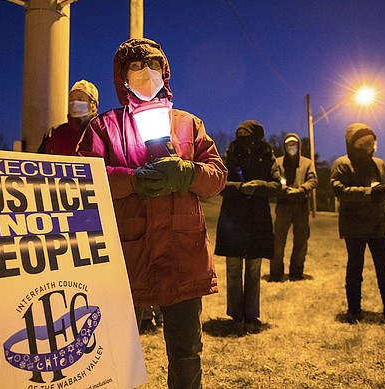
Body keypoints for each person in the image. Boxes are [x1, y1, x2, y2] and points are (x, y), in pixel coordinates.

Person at [77, 38, 226, 389]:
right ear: (122, 78)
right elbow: (84, 177)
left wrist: (189, 173)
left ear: (165, 72)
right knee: (112, 349)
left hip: (182, 252)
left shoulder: (188, 123)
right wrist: (133, 181)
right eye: (135, 68)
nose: (146, 74)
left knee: (186, 349)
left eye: (153, 67)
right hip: (128, 256)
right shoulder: (105, 127)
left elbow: (217, 176)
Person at [330, 123, 385, 324]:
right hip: (355, 225)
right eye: (362, 140)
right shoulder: (342, 163)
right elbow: (339, 191)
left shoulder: (380, 163)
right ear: (352, 142)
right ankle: (354, 310)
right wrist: (369, 192)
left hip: (379, 224)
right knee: (355, 267)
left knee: (384, 268)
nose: (368, 144)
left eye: (370, 140)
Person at [215, 120, 281, 325]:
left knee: (254, 269)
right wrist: (239, 188)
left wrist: (259, 186)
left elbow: (276, 185)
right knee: (234, 268)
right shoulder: (230, 153)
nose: (242, 137)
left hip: (257, 218)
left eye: (246, 133)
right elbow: (218, 183)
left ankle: (252, 314)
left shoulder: (267, 154)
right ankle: (235, 313)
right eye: (239, 133)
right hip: (233, 218)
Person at [270, 133, 317, 282]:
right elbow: (274, 178)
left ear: (299, 146)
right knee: (278, 240)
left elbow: (313, 179)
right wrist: (284, 190)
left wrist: (301, 190)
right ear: (285, 146)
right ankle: (276, 273)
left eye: (294, 145)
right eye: (289, 145)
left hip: (301, 206)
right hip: (283, 205)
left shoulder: (307, 163)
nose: (292, 148)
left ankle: (296, 272)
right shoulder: (278, 162)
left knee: (301, 241)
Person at [37, 79, 99, 155]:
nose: (74, 103)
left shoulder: (103, 132)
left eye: (80, 99)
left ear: (93, 105)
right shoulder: (54, 134)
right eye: (71, 100)